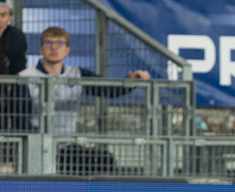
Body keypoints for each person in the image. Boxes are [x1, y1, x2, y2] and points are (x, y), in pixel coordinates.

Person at [18, 25, 150, 134]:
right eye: (48, 43)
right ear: (41, 49)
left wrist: (132, 80)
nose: (53, 47)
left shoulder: (77, 74)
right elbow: (19, 118)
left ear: (67, 50)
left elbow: (109, 89)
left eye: (60, 43)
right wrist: (42, 138)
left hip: (67, 144)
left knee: (104, 157)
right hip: (34, 144)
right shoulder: (25, 77)